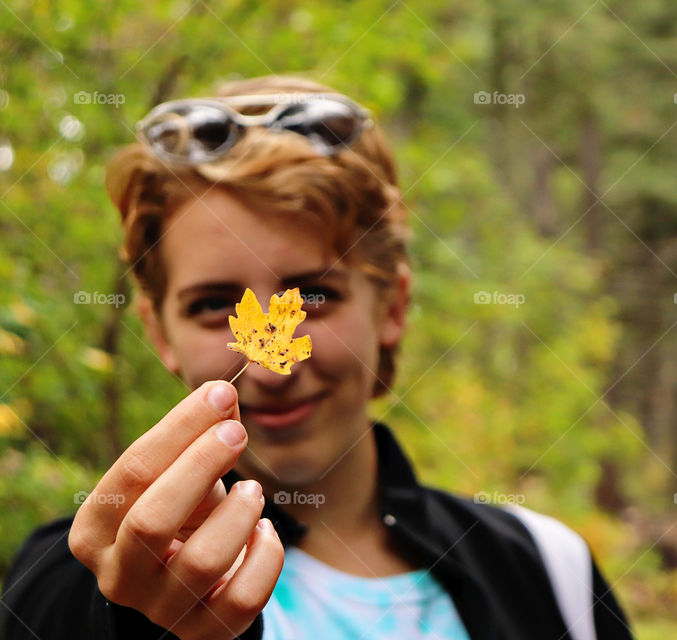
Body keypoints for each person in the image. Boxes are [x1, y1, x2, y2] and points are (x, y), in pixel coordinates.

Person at [0, 75, 632, 640]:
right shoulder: (82, 578)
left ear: (392, 306)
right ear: (158, 331)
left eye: (315, 294)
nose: (275, 368)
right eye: (215, 305)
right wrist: (133, 623)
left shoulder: (549, 570)